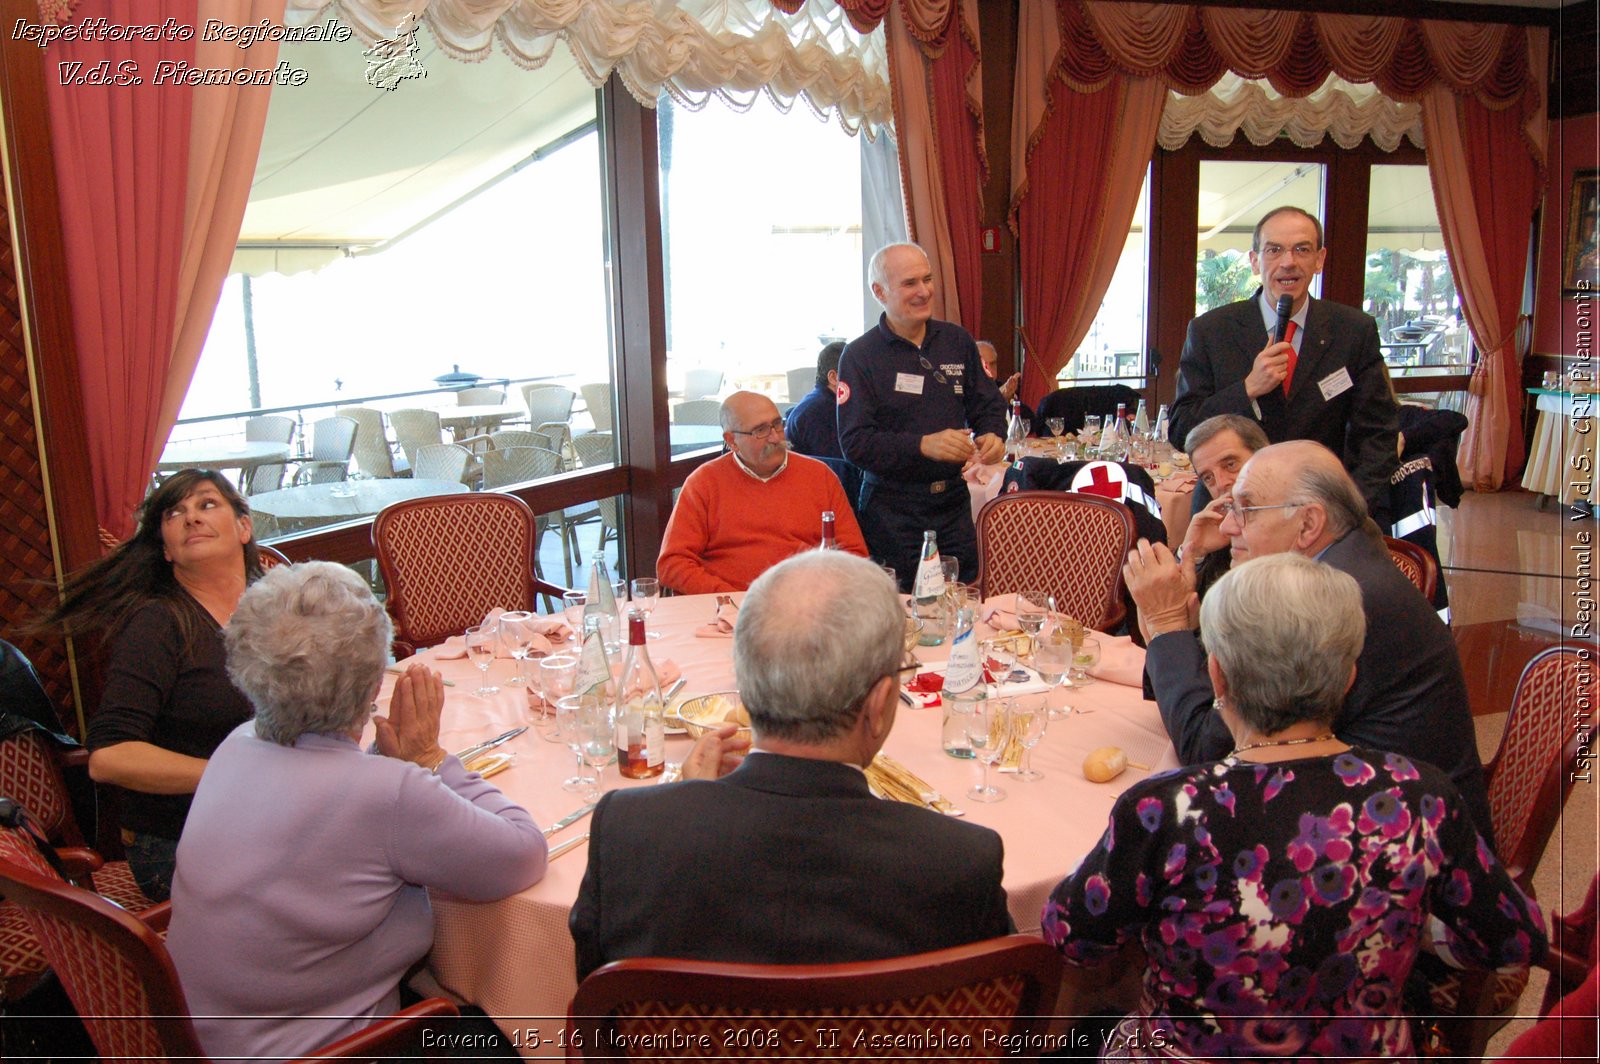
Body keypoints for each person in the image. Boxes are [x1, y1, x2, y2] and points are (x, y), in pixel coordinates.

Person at [1044, 553, 1545, 1060]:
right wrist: (1407, 926)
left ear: (1216, 675)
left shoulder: (1166, 807)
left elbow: (1073, 939)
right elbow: (1513, 941)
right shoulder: (1420, 797)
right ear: (1349, 676)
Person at [570, 550, 1013, 980]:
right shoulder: (958, 863)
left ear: (743, 684)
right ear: (879, 705)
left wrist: (692, 802)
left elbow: (594, 1004)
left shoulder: (629, 833)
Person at [166, 562, 546, 1061]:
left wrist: (397, 768)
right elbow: (523, 855)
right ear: (372, 682)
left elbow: (335, 808)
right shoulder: (386, 794)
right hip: (333, 1052)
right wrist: (430, 759)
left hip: (202, 1041)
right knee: (526, 1039)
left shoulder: (235, 746)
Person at [1125, 440, 1493, 842]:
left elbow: (1212, 748)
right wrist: (1190, 624)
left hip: (1406, 852)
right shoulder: (1343, 560)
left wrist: (1166, 625)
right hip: (1376, 801)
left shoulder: (1330, 604)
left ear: (1308, 524)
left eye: (1245, 509)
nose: (1229, 526)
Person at [29, 469, 261, 901]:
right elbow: (109, 757)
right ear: (167, 550)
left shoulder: (277, 601)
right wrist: (234, 776)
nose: (192, 518)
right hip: (179, 842)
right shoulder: (158, 623)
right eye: (175, 513)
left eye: (207, 504)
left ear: (244, 527)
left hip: (273, 815)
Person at [1168, 206, 1399, 522]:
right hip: (1231, 514)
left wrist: (1351, 508)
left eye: (1301, 249)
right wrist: (1248, 389)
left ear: (1319, 260)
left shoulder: (1353, 331)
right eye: (1274, 250)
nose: (1288, 262)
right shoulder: (1211, 330)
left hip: (1321, 513)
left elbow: (1378, 436)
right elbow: (1182, 430)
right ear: (1255, 261)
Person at [838, 242, 1006, 589]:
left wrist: (994, 434)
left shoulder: (956, 341)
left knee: (963, 600)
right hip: (892, 511)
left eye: (928, 279)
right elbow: (855, 443)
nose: (924, 291)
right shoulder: (860, 356)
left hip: (953, 505)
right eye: (910, 283)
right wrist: (922, 446)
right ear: (879, 291)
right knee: (902, 614)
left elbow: (988, 404)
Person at [657, 391, 867, 593]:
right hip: (727, 609)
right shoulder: (704, 483)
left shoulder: (820, 477)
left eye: (777, 424)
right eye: (761, 430)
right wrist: (728, 599)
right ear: (731, 441)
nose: (775, 438)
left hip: (805, 604)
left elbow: (855, 555)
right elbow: (672, 564)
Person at [784, 340, 846, 459]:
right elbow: (838, 468)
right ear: (833, 377)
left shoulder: (818, 403)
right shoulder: (821, 412)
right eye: (854, 374)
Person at [977, 340, 1020, 404]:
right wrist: (999, 396)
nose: (990, 371)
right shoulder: (961, 390)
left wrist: (1009, 397)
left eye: (992, 364)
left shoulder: (1001, 386)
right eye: (984, 365)